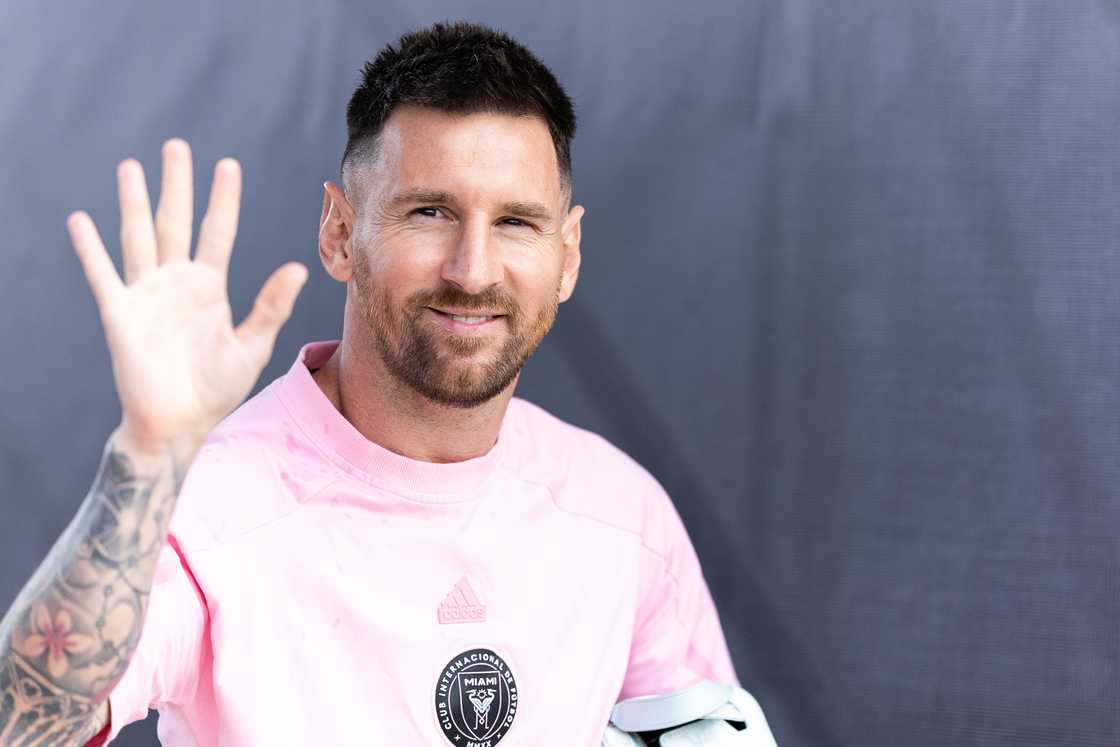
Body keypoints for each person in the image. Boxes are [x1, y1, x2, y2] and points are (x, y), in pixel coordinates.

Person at [0, 21, 773, 746]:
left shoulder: (620, 512)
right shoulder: (204, 508)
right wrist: (146, 456)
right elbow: (21, 720)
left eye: (516, 222)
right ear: (341, 232)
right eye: (430, 211)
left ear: (567, 254)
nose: (472, 270)